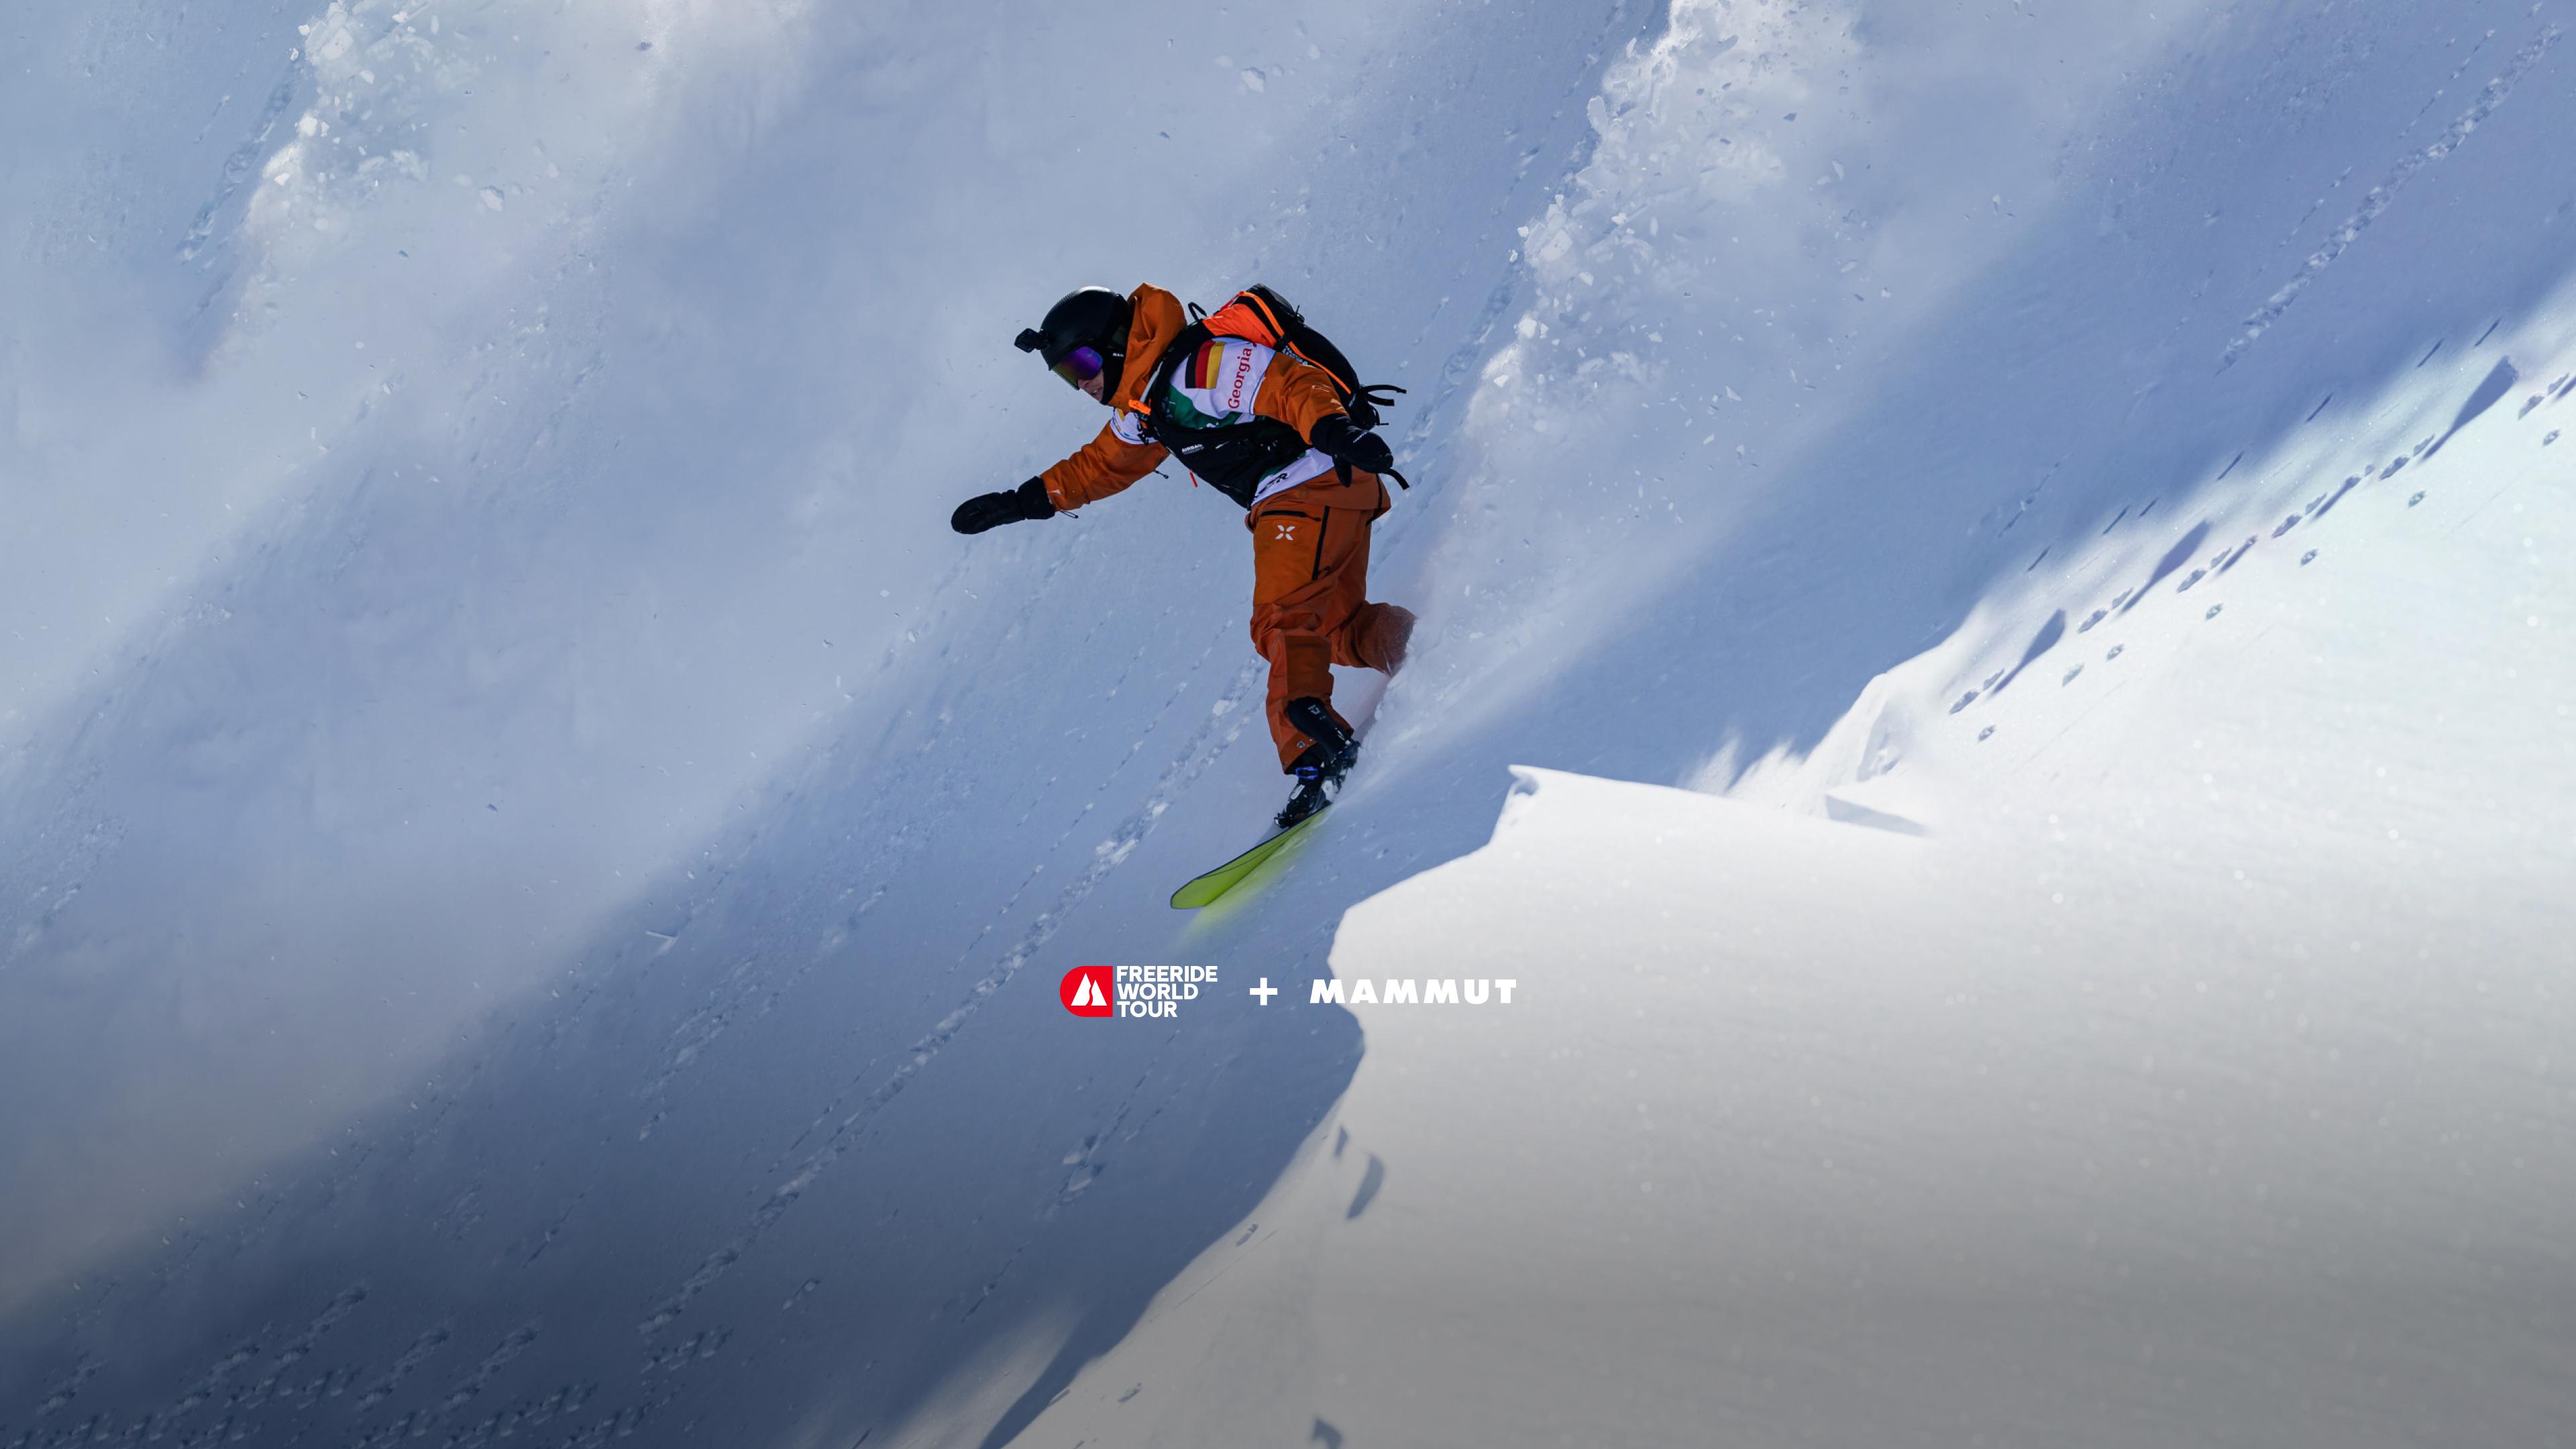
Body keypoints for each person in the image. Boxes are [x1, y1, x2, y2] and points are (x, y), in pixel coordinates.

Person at [953, 284, 1415, 828]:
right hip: (1322, 493)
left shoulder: (1199, 368)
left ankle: (1317, 756)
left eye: (1082, 362)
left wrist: (1334, 427)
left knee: (1282, 624)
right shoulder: (1147, 404)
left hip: (1307, 488)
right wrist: (1023, 502)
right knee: (1335, 629)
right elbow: (1101, 465)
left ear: (1116, 341)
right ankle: (1419, 646)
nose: (1082, 383)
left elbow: (1287, 384)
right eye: (1066, 376)